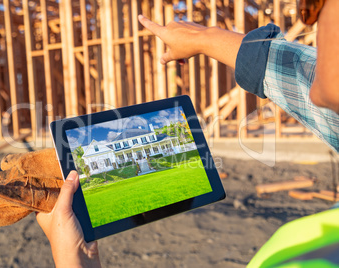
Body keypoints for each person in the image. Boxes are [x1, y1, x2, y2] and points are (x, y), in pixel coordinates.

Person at [37, 1, 339, 266]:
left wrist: (75, 261)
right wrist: (206, 38)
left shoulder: (311, 258)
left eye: (314, 5)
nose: (311, 22)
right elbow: (305, 81)